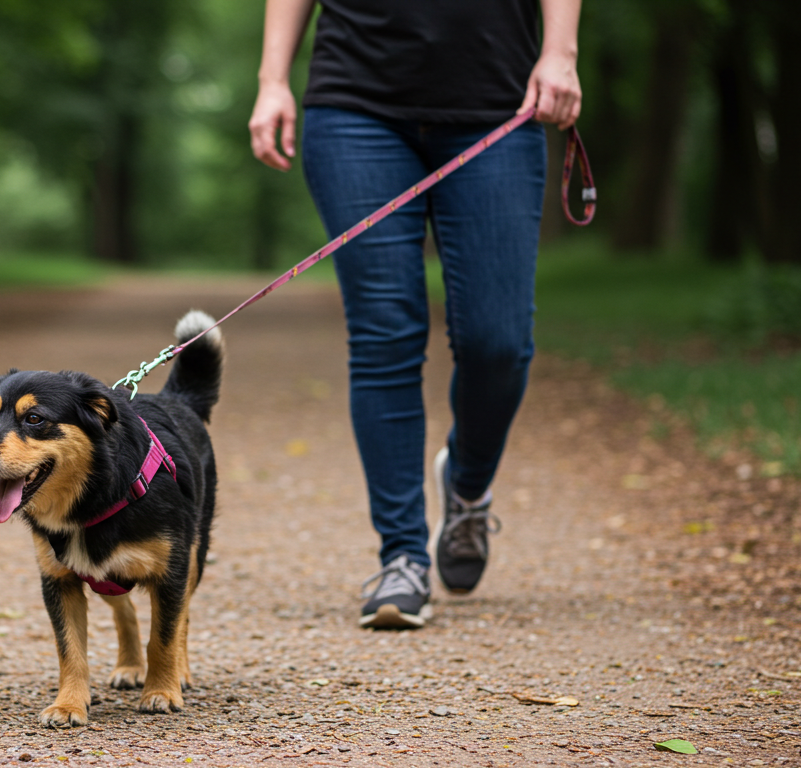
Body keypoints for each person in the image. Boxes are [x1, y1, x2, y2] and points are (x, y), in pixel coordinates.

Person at [248, 0, 582, 629]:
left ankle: (468, 484)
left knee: (497, 341)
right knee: (384, 333)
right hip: (354, 106)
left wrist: (560, 51)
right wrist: (272, 80)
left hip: (499, 99)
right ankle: (402, 556)